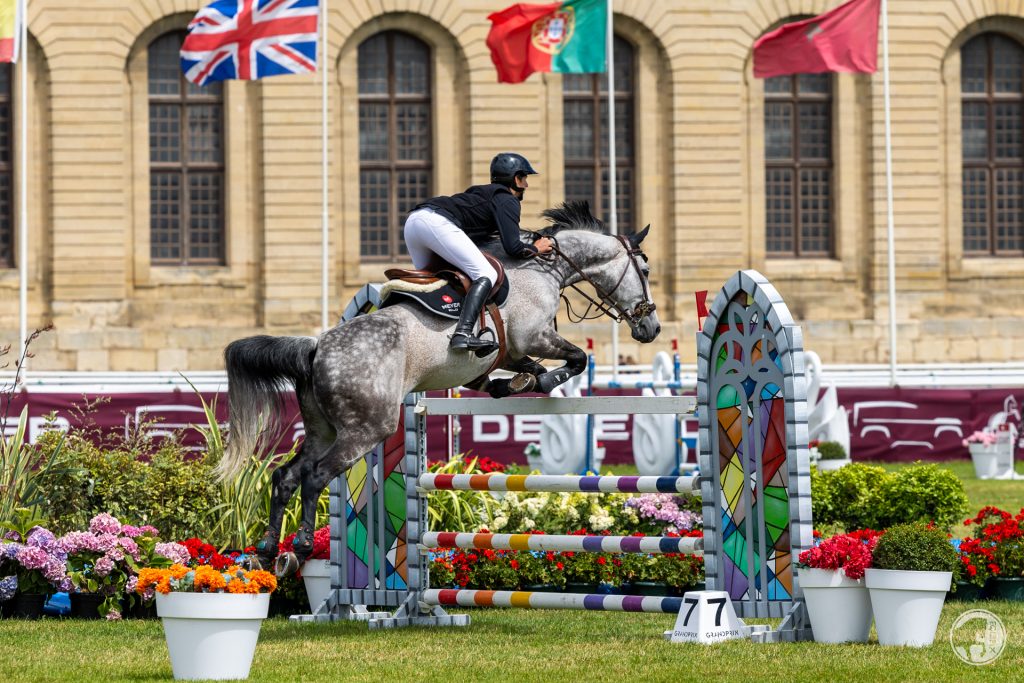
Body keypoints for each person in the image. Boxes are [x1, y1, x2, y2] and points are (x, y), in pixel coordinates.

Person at [403, 152, 554, 353]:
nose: (526, 185)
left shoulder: (483, 194)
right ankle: (463, 334)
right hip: (435, 223)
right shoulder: (507, 199)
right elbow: (513, 248)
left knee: (435, 282)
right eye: (524, 178)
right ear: (515, 178)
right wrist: (538, 248)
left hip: (414, 223)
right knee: (487, 274)